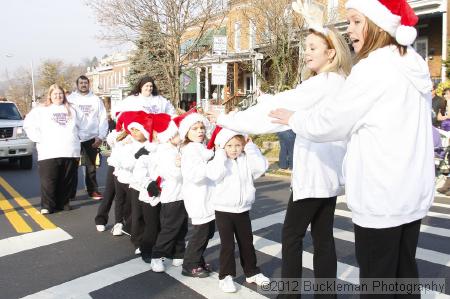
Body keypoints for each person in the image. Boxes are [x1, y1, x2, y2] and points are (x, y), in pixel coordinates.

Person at [269, 1, 434, 297]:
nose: (351, 30)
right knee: (404, 275)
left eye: (357, 22)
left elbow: (330, 122)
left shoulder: (373, 68)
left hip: (381, 195)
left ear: (379, 25)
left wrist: (295, 118)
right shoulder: (414, 63)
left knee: (377, 282)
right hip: (410, 193)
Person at [209, 26, 351, 298]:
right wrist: (271, 100)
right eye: (305, 47)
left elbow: (273, 113)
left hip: (313, 174)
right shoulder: (340, 81)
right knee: (323, 238)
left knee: (292, 235)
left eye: (312, 47)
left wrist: (227, 120)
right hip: (330, 174)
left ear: (331, 52)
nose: (306, 53)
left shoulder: (322, 83)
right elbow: (288, 103)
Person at [207, 126, 270, 293]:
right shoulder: (218, 161)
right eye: (229, 146)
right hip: (223, 210)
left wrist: (250, 147)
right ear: (222, 146)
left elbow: (261, 168)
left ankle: (252, 272)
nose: (234, 149)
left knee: (246, 242)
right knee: (227, 245)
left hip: (243, 209)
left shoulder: (246, 158)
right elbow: (214, 174)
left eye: (238, 145)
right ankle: (226, 276)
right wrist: (220, 153)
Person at [24, 84, 89, 214]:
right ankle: (47, 206)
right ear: (50, 95)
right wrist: (38, 138)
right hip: (49, 151)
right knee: (49, 180)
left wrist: (79, 137)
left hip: (70, 151)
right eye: (55, 94)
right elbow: (28, 124)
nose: (58, 96)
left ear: (63, 95)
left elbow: (85, 125)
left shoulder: (73, 108)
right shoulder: (41, 109)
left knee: (66, 179)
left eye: (60, 94)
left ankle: (63, 203)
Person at [178, 110, 216, 278]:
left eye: (201, 127)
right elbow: (193, 174)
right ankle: (189, 265)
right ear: (186, 132)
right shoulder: (190, 149)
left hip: (207, 195)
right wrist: (211, 165)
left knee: (208, 232)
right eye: (195, 128)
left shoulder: (200, 147)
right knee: (201, 233)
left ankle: (198, 260)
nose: (200, 131)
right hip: (198, 196)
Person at [68, 75, 108, 200]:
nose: (83, 85)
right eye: (81, 83)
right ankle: (70, 193)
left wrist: (101, 136)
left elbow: (102, 118)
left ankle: (93, 191)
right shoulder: (70, 99)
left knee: (91, 167)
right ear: (77, 85)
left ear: (88, 84)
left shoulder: (96, 100)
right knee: (71, 167)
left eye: (85, 83)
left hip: (91, 137)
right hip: (74, 137)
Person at [111, 76, 175, 118]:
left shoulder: (160, 99)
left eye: (151, 86)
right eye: (146, 86)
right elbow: (116, 111)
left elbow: (171, 110)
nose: (149, 88)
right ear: (141, 87)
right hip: (139, 134)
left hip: (157, 132)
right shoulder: (132, 99)